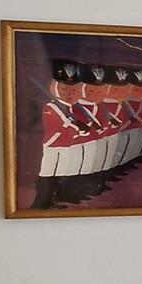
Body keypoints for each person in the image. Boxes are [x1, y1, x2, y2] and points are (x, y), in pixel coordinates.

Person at [30, 59, 91, 209]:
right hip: (53, 146)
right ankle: (40, 203)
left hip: (64, 146)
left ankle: (53, 199)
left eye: (73, 90)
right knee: (48, 173)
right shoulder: (52, 107)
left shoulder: (68, 108)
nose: (69, 94)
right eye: (64, 89)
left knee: (59, 174)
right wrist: (75, 127)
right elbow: (55, 127)